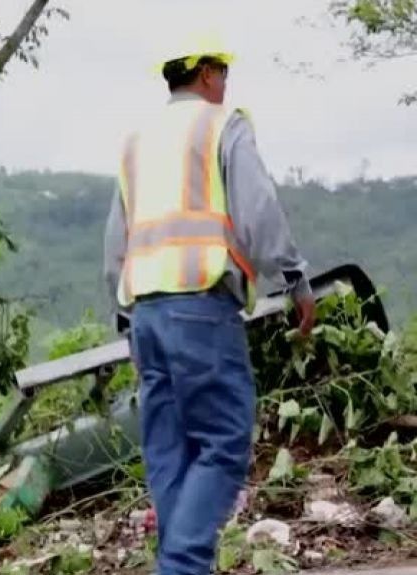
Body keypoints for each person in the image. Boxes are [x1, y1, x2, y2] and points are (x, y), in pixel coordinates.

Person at [102, 33, 316, 575]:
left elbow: (116, 242)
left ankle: (179, 564)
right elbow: (258, 211)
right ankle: (180, 564)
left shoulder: (137, 142)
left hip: (145, 315)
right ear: (205, 73)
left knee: (169, 450)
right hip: (199, 305)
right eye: (222, 72)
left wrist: (125, 318)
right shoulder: (223, 125)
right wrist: (293, 278)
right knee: (223, 441)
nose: (225, 84)